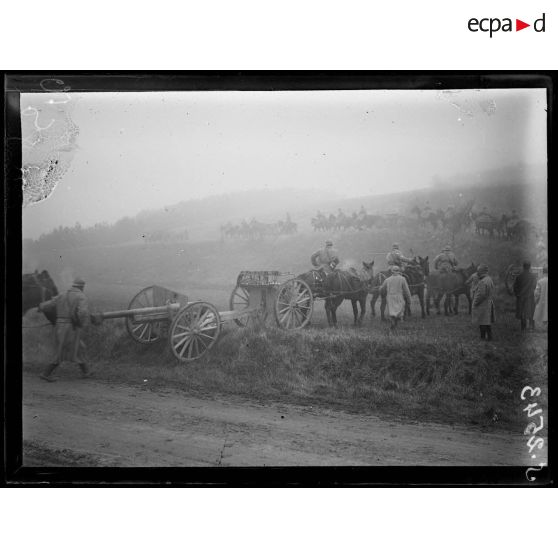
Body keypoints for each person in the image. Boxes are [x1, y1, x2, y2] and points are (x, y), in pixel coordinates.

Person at [38, 276, 92, 382]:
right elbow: (83, 312)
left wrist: (41, 307)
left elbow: (50, 304)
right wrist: (83, 323)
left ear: (73, 285)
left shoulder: (63, 294)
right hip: (70, 327)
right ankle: (46, 373)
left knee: (79, 347)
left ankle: (86, 372)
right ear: (82, 287)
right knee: (62, 350)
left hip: (59, 325)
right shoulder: (81, 297)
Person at [380, 266, 411, 330]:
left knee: (392, 312)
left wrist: (380, 288)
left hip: (390, 297)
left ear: (392, 272)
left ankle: (393, 324)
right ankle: (395, 324)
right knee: (399, 311)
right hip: (399, 296)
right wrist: (409, 299)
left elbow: (382, 288)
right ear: (399, 271)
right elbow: (407, 290)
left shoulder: (387, 279)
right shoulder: (402, 279)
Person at [471, 264, 495, 341]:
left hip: (483, 305)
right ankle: (490, 337)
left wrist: (475, 303)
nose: (477, 272)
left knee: (482, 322)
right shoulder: (489, 279)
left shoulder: (482, 281)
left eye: (478, 271)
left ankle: (483, 337)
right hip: (488, 303)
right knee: (487, 321)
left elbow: (481, 294)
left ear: (481, 271)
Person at [513, 261, 538, 332]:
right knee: (531, 311)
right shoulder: (533, 276)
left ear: (523, 267)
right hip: (530, 297)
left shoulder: (519, 276)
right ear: (529, 267)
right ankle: (531, 327)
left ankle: (523, 327)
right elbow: (534, 286)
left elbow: (515, 287)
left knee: (522, 312)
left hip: (521, 297)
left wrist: (517, 294)